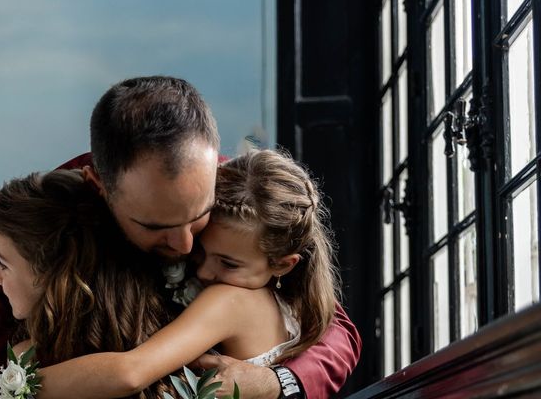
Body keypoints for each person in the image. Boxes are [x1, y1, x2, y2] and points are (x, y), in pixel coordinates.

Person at [0, 76, 362, 399]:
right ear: (99, 186)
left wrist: (277, 384)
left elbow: (331, 325)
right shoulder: (26, 232)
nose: (186, 246)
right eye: (155, 226)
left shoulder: (233, 194)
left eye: (199, 216)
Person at [31, 148, 340, 398]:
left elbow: (131, 373)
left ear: (283, 264)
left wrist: (16, 386)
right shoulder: (294, 307)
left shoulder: (232, 301)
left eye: (228, 263)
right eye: (200, 251)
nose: (205, 271)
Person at [0, 169, 177, 398]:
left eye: (5, 264)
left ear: (50, 271)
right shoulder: (25, 361)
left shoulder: (29, 370)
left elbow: (129, 375)